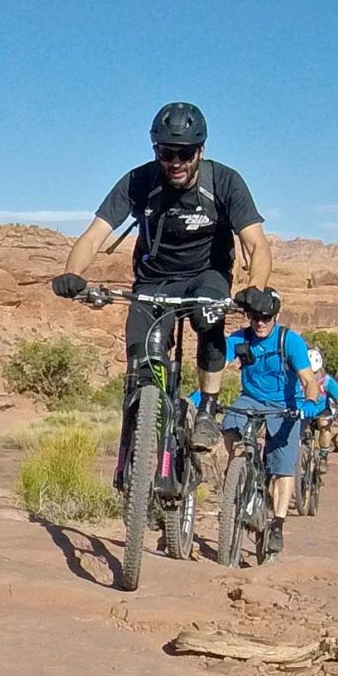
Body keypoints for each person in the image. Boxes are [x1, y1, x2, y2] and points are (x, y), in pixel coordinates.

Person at [52, 102, 271, 453]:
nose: (176, 163)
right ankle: (143, 432)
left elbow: (256, 244)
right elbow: (95, 235)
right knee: (139, 355)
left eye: (185, 153)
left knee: (208, 317)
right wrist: (72, 273)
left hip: (206, 274)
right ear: (156, 150)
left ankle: (207, 409)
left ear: (201, 150)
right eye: (166, 153)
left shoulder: (225, 182)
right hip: (154, 280)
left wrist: (256, 288)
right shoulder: (140, 181)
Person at [219, 287, 314, 556]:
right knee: (229, 425)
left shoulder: (290, 341)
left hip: (286, 406)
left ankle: (277, 526)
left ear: (275, 316)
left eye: (266, 318)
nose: (260, 323)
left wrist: (307, 404)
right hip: (250, 399)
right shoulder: (240, 339)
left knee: (283, 468)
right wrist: (201, 397)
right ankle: (241, 470)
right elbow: (218, 367)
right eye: (255, 317)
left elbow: (308, 380)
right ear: (248, 316)